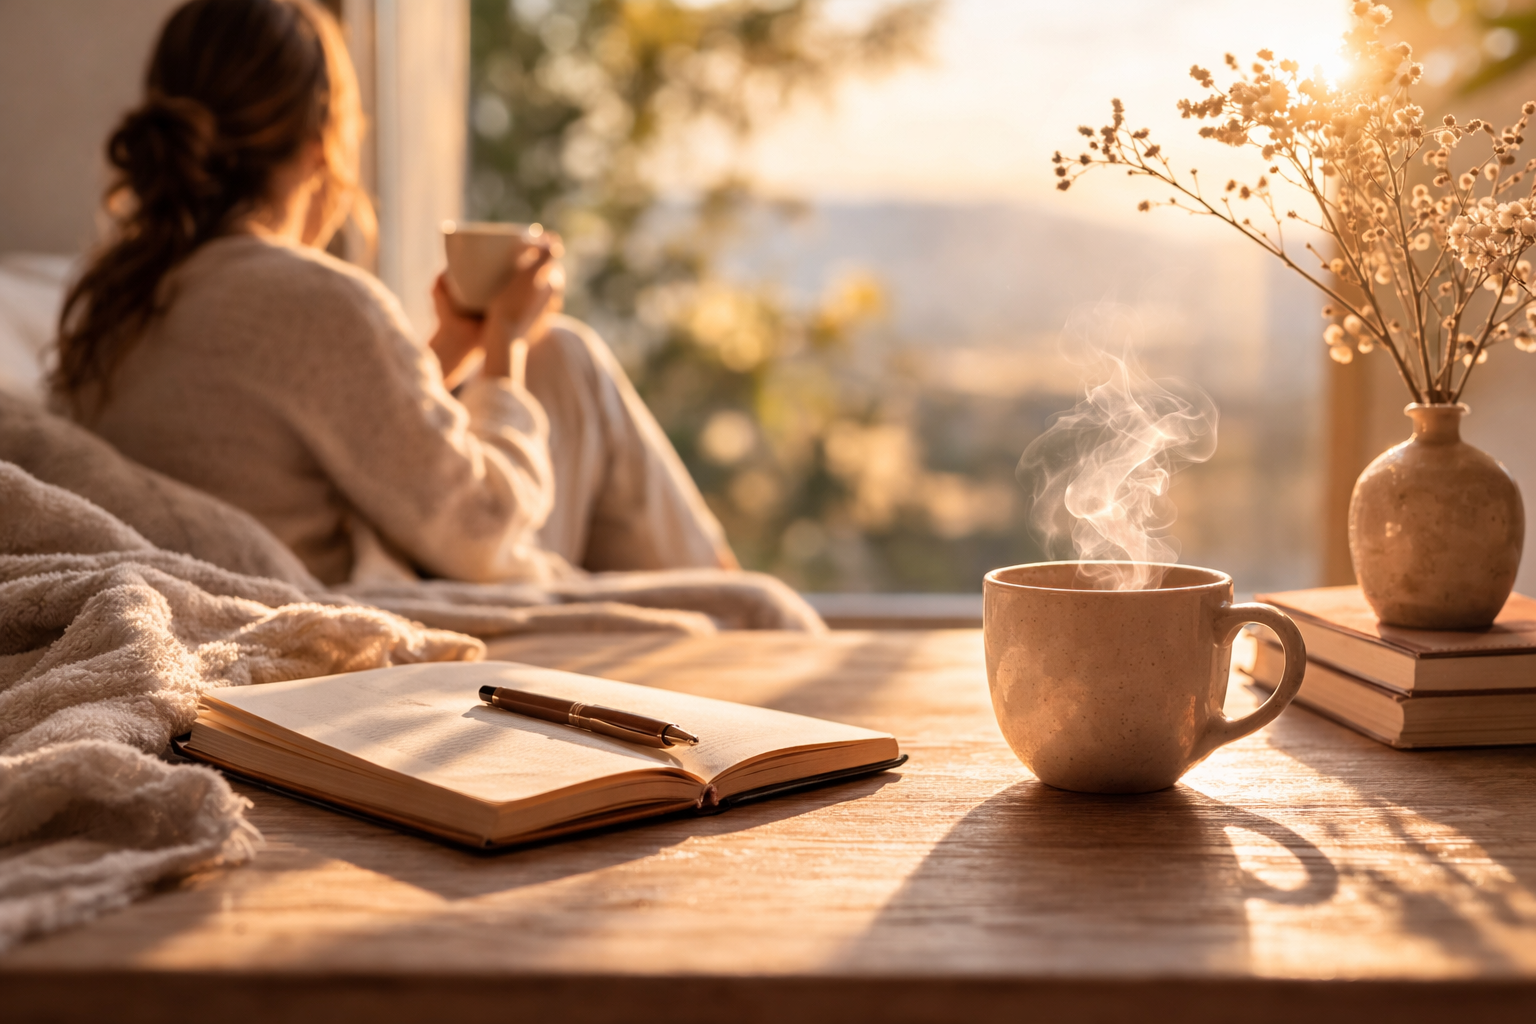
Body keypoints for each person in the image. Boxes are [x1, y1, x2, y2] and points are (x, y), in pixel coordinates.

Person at [52, 0, 737, 587]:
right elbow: (481, 534)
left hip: (250, 582)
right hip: (385, 612)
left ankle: (714, 595)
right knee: (565, 357)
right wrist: (503, 349)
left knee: (556, 356)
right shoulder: (318, 301)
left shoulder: (108, 302)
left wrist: (450, 350)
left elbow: (290, 439)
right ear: (322, 140)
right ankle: (727, 605)